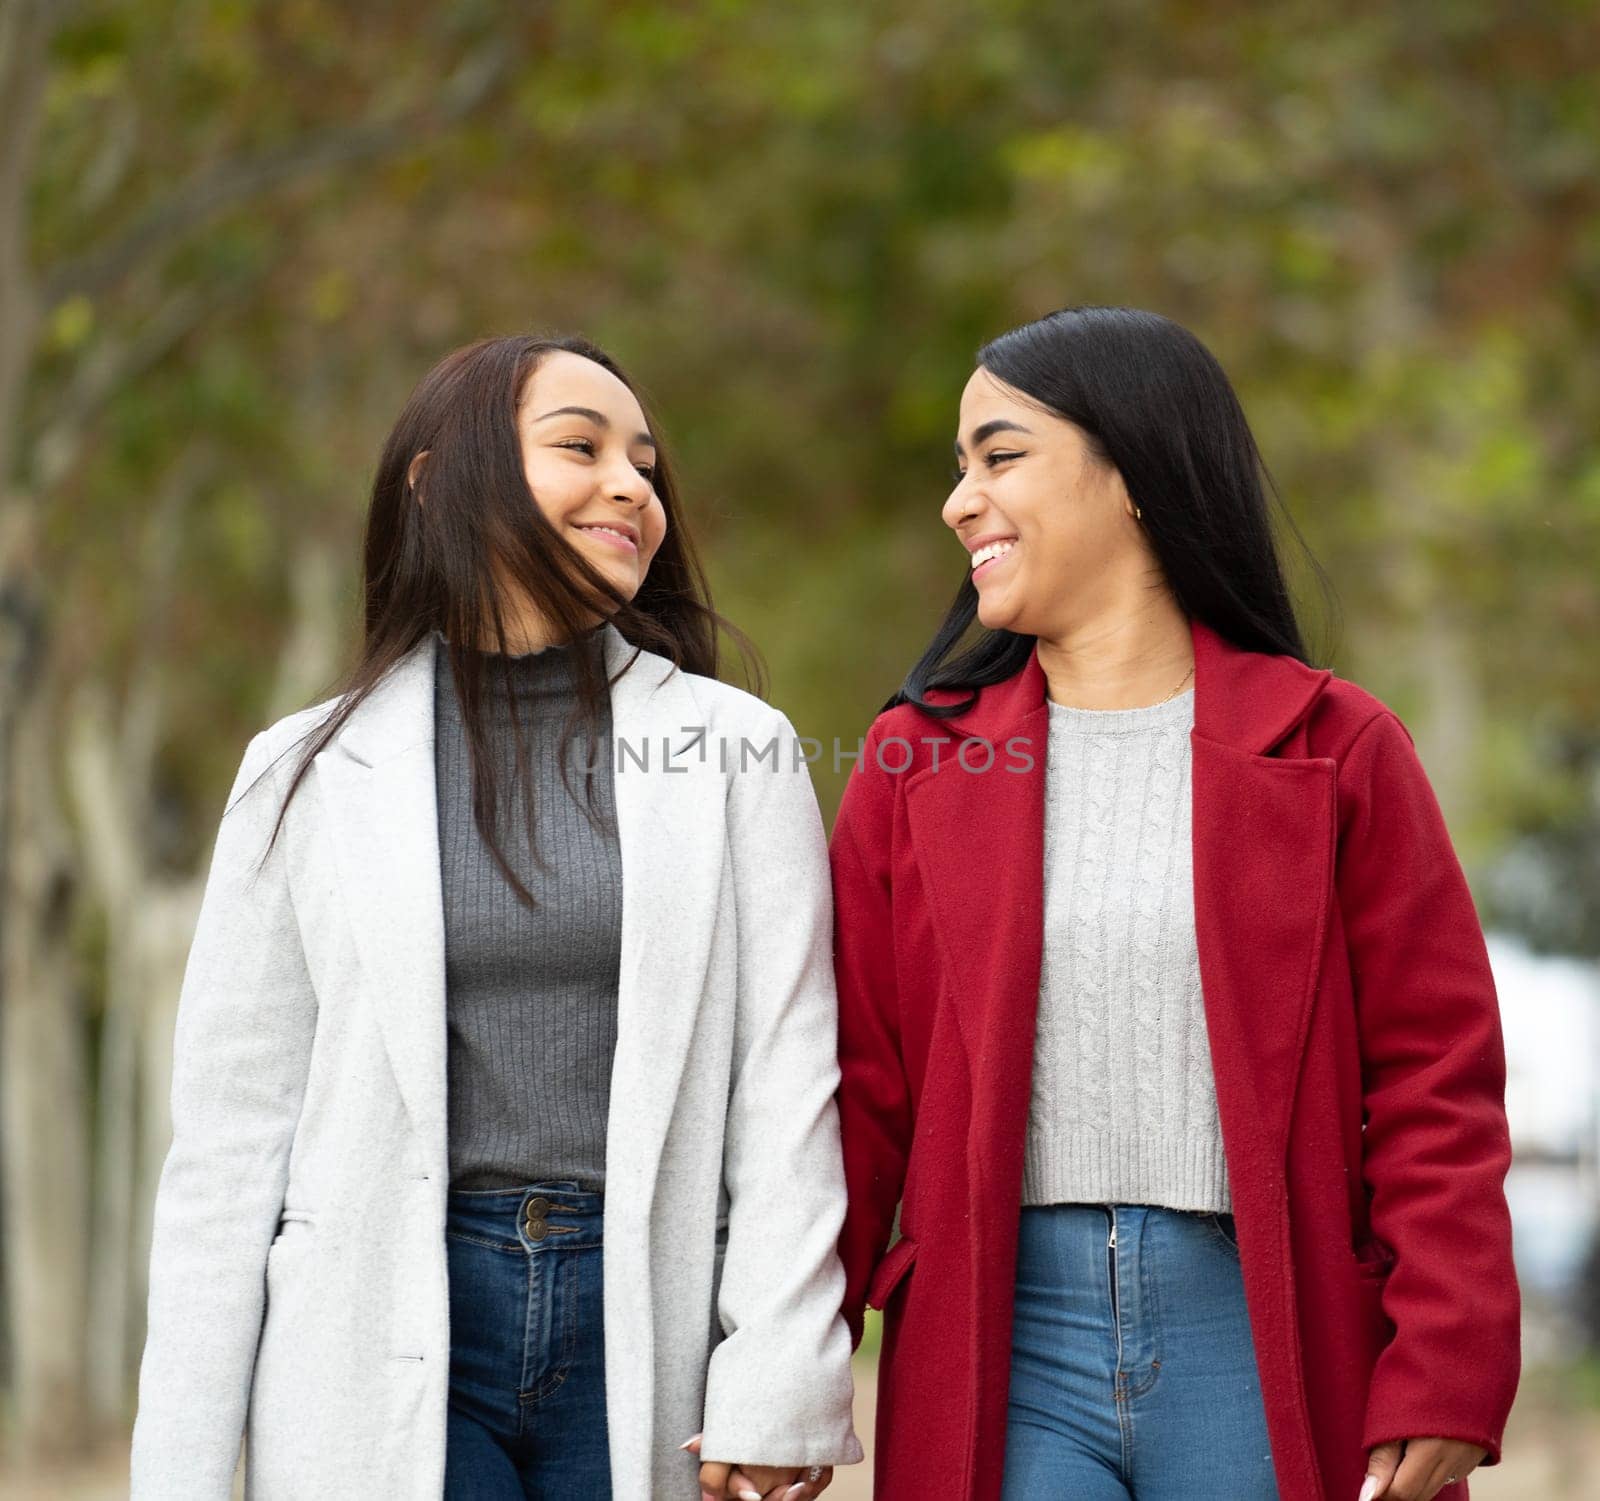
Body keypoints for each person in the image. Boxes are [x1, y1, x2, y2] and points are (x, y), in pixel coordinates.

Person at [131, 333, 861, 1500]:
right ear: (438, 481)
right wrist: (178, 1467)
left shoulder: (738, 751)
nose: (632, 485)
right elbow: (229, 1146)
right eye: (581, 447)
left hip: (644, 1323)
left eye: (646, 464)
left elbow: (784, 1087)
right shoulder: (303, 771)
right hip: (366, 1326)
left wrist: (781, 1370)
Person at [829, 305, 1519, 1501]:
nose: (958, 501)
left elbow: (1434, 1086)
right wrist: (787, 1353)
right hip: (1000, 1341)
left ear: (1135, 473)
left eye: (999, 457)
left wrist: (1448, 1362)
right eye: (959, 469)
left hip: (1262, 1334)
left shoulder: (1337, 747)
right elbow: (851, 1092)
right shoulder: (912, 761)